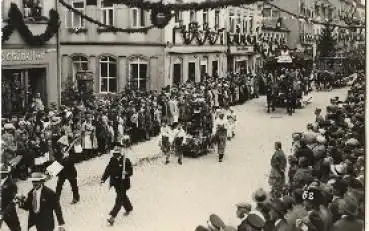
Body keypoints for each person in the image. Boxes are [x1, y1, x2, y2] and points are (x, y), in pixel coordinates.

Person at [101, 145, 133, 226]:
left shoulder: (126, 161)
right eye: (114, 154)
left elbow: (131, 171)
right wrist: (103, 179)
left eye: (117, 154)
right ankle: (129, 208)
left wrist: (126, 173)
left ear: (120, 154)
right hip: (116, 183)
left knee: (119, 200)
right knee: (122, 196)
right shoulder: (112, 160)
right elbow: (108, 170)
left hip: (123, 183)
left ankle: (112, 217)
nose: (115, 155)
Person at [55, 135, 80, 204]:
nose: (60, 145)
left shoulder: (71, 150)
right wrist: (61, 159)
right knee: (59, 186)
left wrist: (68, 158)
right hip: (62, 171)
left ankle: (76, 197)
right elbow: (57, 159)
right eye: (60, 144)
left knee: (74, 185)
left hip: (70, 170)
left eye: (61, 144)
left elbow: (76, 159)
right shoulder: (58, 151)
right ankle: (56, 199)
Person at [0, 164, 21, 231]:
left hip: (8, 212)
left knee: (15, 228)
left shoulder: (11, 184)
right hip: (1, 210)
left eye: (1, 173)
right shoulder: (1, 182)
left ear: (6, 174)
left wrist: (4, 213)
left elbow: (13, 200)